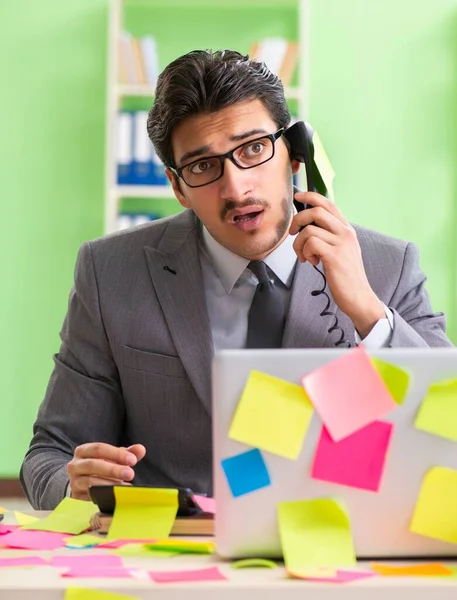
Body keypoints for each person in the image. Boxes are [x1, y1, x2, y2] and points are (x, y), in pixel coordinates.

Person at [21, 49, 452, 509]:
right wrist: (76, 484)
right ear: (177, 187)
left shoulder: (388, 265)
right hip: (174, 556)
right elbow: (49, 454)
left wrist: (368, 312)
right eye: (203, 166)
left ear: (295, 154)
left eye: (253, 149)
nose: (236, 188)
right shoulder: (111, 272)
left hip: (335, 548)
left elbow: (447, 430)